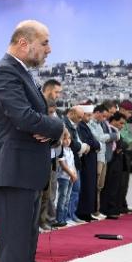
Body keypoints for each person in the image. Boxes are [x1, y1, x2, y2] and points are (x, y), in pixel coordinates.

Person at [0, 20, 63, 262]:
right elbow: (24, 118)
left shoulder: (21, 73)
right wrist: (57, 127)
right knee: (15, 247)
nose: (49, 49)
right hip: (12, 172)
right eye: (44, 42)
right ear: (23, 42)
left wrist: (47, 127)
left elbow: (36, 120)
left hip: (25, 172)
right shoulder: (5, 72)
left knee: (25, 246)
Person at [38, 79, 64, 230]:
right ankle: (38, 222)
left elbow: (59, 134)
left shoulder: (55, 114)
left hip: (53, 158)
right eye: (56, 92)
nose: (58, 95)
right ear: (48, 90)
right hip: (40, 157)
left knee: (48, 194)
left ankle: (44, 220)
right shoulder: (38, 109)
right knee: (40, 194)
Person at [62, 106, 88, 224]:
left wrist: (83, 146)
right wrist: (82, 147)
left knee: (75, 190)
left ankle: (72, 214)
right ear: (71, 113)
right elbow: (71, 143)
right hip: (68, 162)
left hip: (75, 161)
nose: (80, 120)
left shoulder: (75, 125)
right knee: (67, 193)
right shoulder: (65, 124)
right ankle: (66, 217)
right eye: (79, 117)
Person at [100, 112, 128, 218]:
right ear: (114, 121)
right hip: (109, 160)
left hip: (117, 161)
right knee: (108, 186)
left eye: (124, 124)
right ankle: (107, 210)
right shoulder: (108, 129)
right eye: (121, 123)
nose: (122, 126)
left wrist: (121, 146)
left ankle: (113, 209)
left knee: (116, 186)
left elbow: (124, 144)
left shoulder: (117, 131)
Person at [76, 105, 100, 221]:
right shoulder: (81, 126)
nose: (90, 118)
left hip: (91, 160)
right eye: (88, 115)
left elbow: (94, 141)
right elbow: (88, 141)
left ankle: (88, 212)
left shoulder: (86, 126)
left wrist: (96, 144)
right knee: (86, 187)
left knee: (91, 186)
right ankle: (83, 213)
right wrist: (96, 144)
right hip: (86, 161)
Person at [54, 129, 77, 227]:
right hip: (63, 177)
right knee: (62, 198)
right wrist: (72, 174)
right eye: (65, 138)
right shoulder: (60, 150)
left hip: (70, 177)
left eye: (69, 138)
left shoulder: (70, 150)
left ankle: (65, 218)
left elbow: (72, 164)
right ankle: (59, 219)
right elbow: (63, 165)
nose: (67, 141)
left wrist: (74, 174)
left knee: (67, 198)